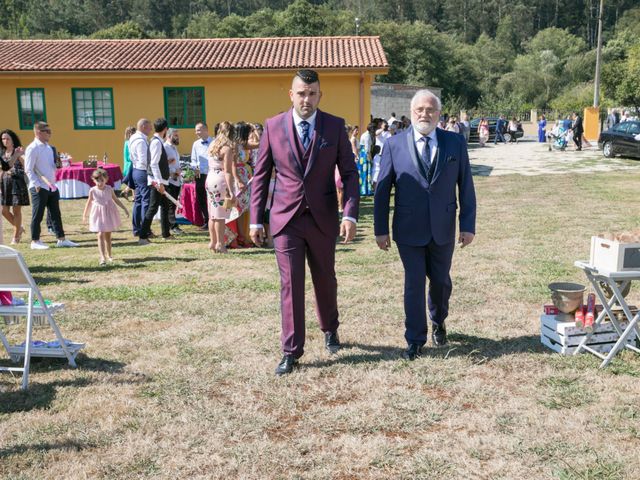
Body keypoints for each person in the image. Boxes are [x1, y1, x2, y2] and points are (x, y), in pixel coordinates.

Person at [249, 69, 360, 375]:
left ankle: (329, 327)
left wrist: (349, 213)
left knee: (325, 279)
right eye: (301, 93)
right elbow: (261, 176)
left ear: (319, 95)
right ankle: (291, 350)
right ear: (291, 95)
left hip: (323, 218)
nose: (306, 99)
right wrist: (256, 220)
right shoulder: (273, 126)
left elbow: (349, 174)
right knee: (291, 284)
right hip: (286, 220)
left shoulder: (334, 126)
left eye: (312, 93)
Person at [373, 89, 476, 360]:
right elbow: (382, 191)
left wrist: (467, 224)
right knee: (414, 283)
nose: (424, 114)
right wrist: (380, 229)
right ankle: (414, 339)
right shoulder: (394, 145)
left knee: (441, 281)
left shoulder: (454, 143)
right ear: (412, 111)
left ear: (438, 114)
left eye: (430, 110)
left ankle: (438, 319)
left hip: (443, 227)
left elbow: (465, 186)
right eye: (419, 109)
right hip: (408, 229)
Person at [24, 121, 78, 250]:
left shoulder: (49, 147)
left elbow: (50, 166)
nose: (50, 133)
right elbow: (28, 169)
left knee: (55, 213)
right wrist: (36, 184)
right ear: (38, 132)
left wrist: (59, 164)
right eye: (47, 131)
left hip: (51, 185)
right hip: (39, 186)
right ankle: (35, 241)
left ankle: (61, 239)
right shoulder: (32, 148)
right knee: (38, 214)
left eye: (50, 131)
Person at [82, 168, 129, 265]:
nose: (100, 183)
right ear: (94, 180)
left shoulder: (109, 189)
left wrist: (124, 208)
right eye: (97, 181)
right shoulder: (92, 191)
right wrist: (85, 215)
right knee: (100, 234)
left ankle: (109, 255)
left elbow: (116, 200)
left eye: (102, 180)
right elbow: (88, 202)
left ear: (106, 179)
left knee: (108, 235)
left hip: (108, 214)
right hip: (98, 215)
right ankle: (102, 257)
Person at [139, 118, 171, 244]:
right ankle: (142, 237)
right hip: (156, 181)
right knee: (152, 208)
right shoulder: (156, 142)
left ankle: (166, 234)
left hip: (160, 180)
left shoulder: (157, 141)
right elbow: (153, 164)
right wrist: (159, 182)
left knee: (164, 206)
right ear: (165, 130)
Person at [205, 121, 236, 253]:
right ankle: (220, 244)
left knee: (212, 214)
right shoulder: (226, 148)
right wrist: (231, 190)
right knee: (220, 216)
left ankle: (212, 242)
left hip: (210, 177)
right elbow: (228, 171)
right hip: (220, 180)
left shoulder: (212, 144)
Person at [0, 129, 28, 244]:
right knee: (4, 211)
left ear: (12, 140)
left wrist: (15, 170)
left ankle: (16, 237)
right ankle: (19, 228)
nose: (5, 141)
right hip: (5, 185)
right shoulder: (1, 154)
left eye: (7, 138)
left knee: (16, 211)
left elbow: (27, 167)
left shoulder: (18, 151)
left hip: (17, 184)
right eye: (3, 139)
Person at [129, 118, 152, 237]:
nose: (151, 129)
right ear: (143, 127)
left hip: (135, 170)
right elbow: (143, 160)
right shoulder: (141, 141)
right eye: (149, 127)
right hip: (142, 171)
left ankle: (137, 228)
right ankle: (145, 229)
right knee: (146, 201)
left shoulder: (133, 138)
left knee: (138, 200)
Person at [190, 122, 212, 228]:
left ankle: (214, 219)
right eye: (196, 130)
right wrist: (195, 168)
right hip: (200, 174)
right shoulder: (195, 144)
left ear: (205, 129)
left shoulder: (214, 142)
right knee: (201, 197)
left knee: (212, 198)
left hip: (212, 173)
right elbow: (193, 159)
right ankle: (207, 220)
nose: (196, 132)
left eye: (198, 130)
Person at [164, 128, 184, 236]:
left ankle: (170, 224)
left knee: (174, 203)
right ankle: (173, 225)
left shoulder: (174, 148)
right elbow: (162, 164)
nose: (177, 137)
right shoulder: (165, 147)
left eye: (178, 135)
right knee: (171, 203)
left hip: (176, 179)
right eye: (175, 135)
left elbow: (175, 162)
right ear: (169, 136)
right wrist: (173, 172)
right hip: (169, 179)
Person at [120, 126, 136, 199]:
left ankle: (129, 193)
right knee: (132, 180)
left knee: (132, 180)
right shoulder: (128, 143)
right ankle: (133, 195)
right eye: (132, 133)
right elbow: (128, 156)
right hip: (129, 164)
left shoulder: (132, 142)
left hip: (131, 164)